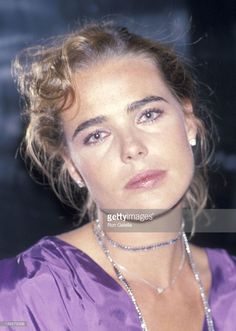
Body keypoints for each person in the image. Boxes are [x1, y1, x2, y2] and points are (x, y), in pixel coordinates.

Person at [0, 19, 235, 331]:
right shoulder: (24, 295)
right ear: (73, 166)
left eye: (148, 114)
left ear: (188, 121)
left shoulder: (229, 284)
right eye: (96, 135)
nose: (132, 148)